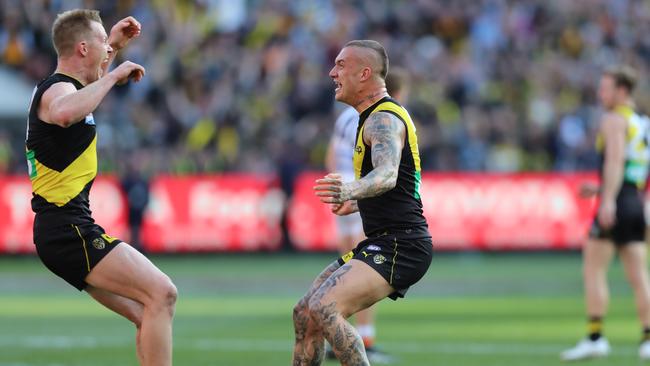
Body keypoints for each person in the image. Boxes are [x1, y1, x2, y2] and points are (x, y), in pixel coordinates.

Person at [25, 9, 176, 366]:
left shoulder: (73, 87)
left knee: (148, 312)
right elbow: (64, 111)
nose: (107, 51)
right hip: (68, 229)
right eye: (101, 44)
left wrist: (114, 45)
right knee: (163, 293)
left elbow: (85, 91)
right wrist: (116, 74)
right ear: (81, 48)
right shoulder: (56, 90)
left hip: (64, 230)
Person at [292, 40, 433, 366]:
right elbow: (394, 187)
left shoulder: (382, 119)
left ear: (364, 73)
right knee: (304, 313)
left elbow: (386, 175)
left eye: (340, 65)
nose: (332, 72)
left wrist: (351, 190)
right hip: (384, 240)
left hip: (402, 244)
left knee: (325, 307)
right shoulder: (369, 118)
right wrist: (357, 202)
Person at [561, 65, 650, 361]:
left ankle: (595, 336)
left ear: (622, 91)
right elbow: (631, 169)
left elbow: (614, 161)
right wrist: (603, 190)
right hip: (635, 201)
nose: (601, 94)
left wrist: (607, 200)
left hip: (617, 201)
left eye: (606, 88)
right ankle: (647, 339)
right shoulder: (642, 121)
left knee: (593, 269)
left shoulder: (613, 119)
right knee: (639, 275)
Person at [323, 67, 410, 364]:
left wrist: (339, 185)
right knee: (366, 264)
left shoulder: (346, 117)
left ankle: (338, 336)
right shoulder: (385, 117)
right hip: (363, 191)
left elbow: (331, 155)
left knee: (345, 264)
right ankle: (365, 337)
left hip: (344, 188)